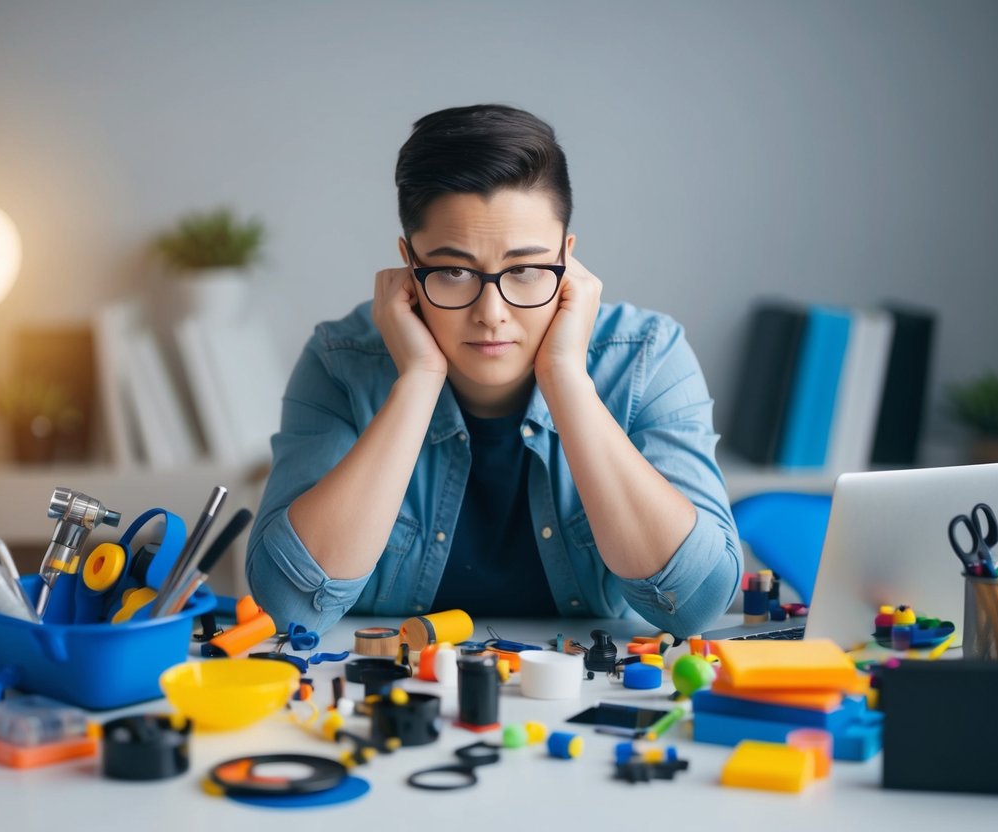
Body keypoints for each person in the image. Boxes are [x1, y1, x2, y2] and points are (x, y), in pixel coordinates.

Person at [247, 104, 741, 636]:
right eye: (455, 271)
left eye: (527, 270)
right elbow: (288, 606)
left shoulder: (648, 355)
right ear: (409, 265)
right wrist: (416, 382)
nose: (492, 313)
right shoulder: (339, 360)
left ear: (568, 259)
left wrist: (565, 377)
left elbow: (697, 604)